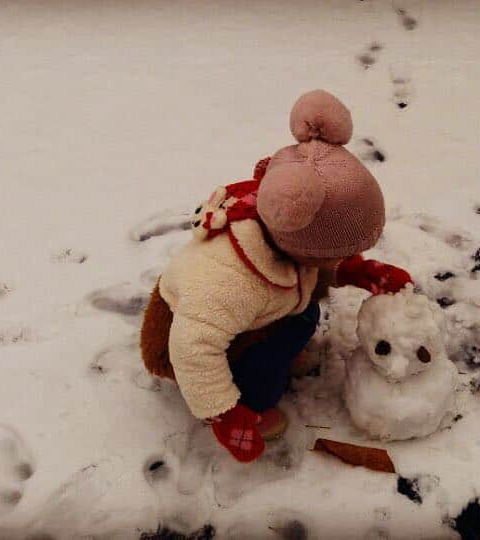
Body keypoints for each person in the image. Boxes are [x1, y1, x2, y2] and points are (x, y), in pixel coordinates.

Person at [140, 90, 413, 462]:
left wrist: (357, 270)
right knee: (277, 358)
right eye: (340, 253)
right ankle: (253, 399)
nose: (342, 257)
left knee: (305, 316)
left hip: (243, 310)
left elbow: (311, 257)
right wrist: (226, 415)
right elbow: (192, 348)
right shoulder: (225, 282)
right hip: (178, 341)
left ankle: (271, 349)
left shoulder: (283, 215)